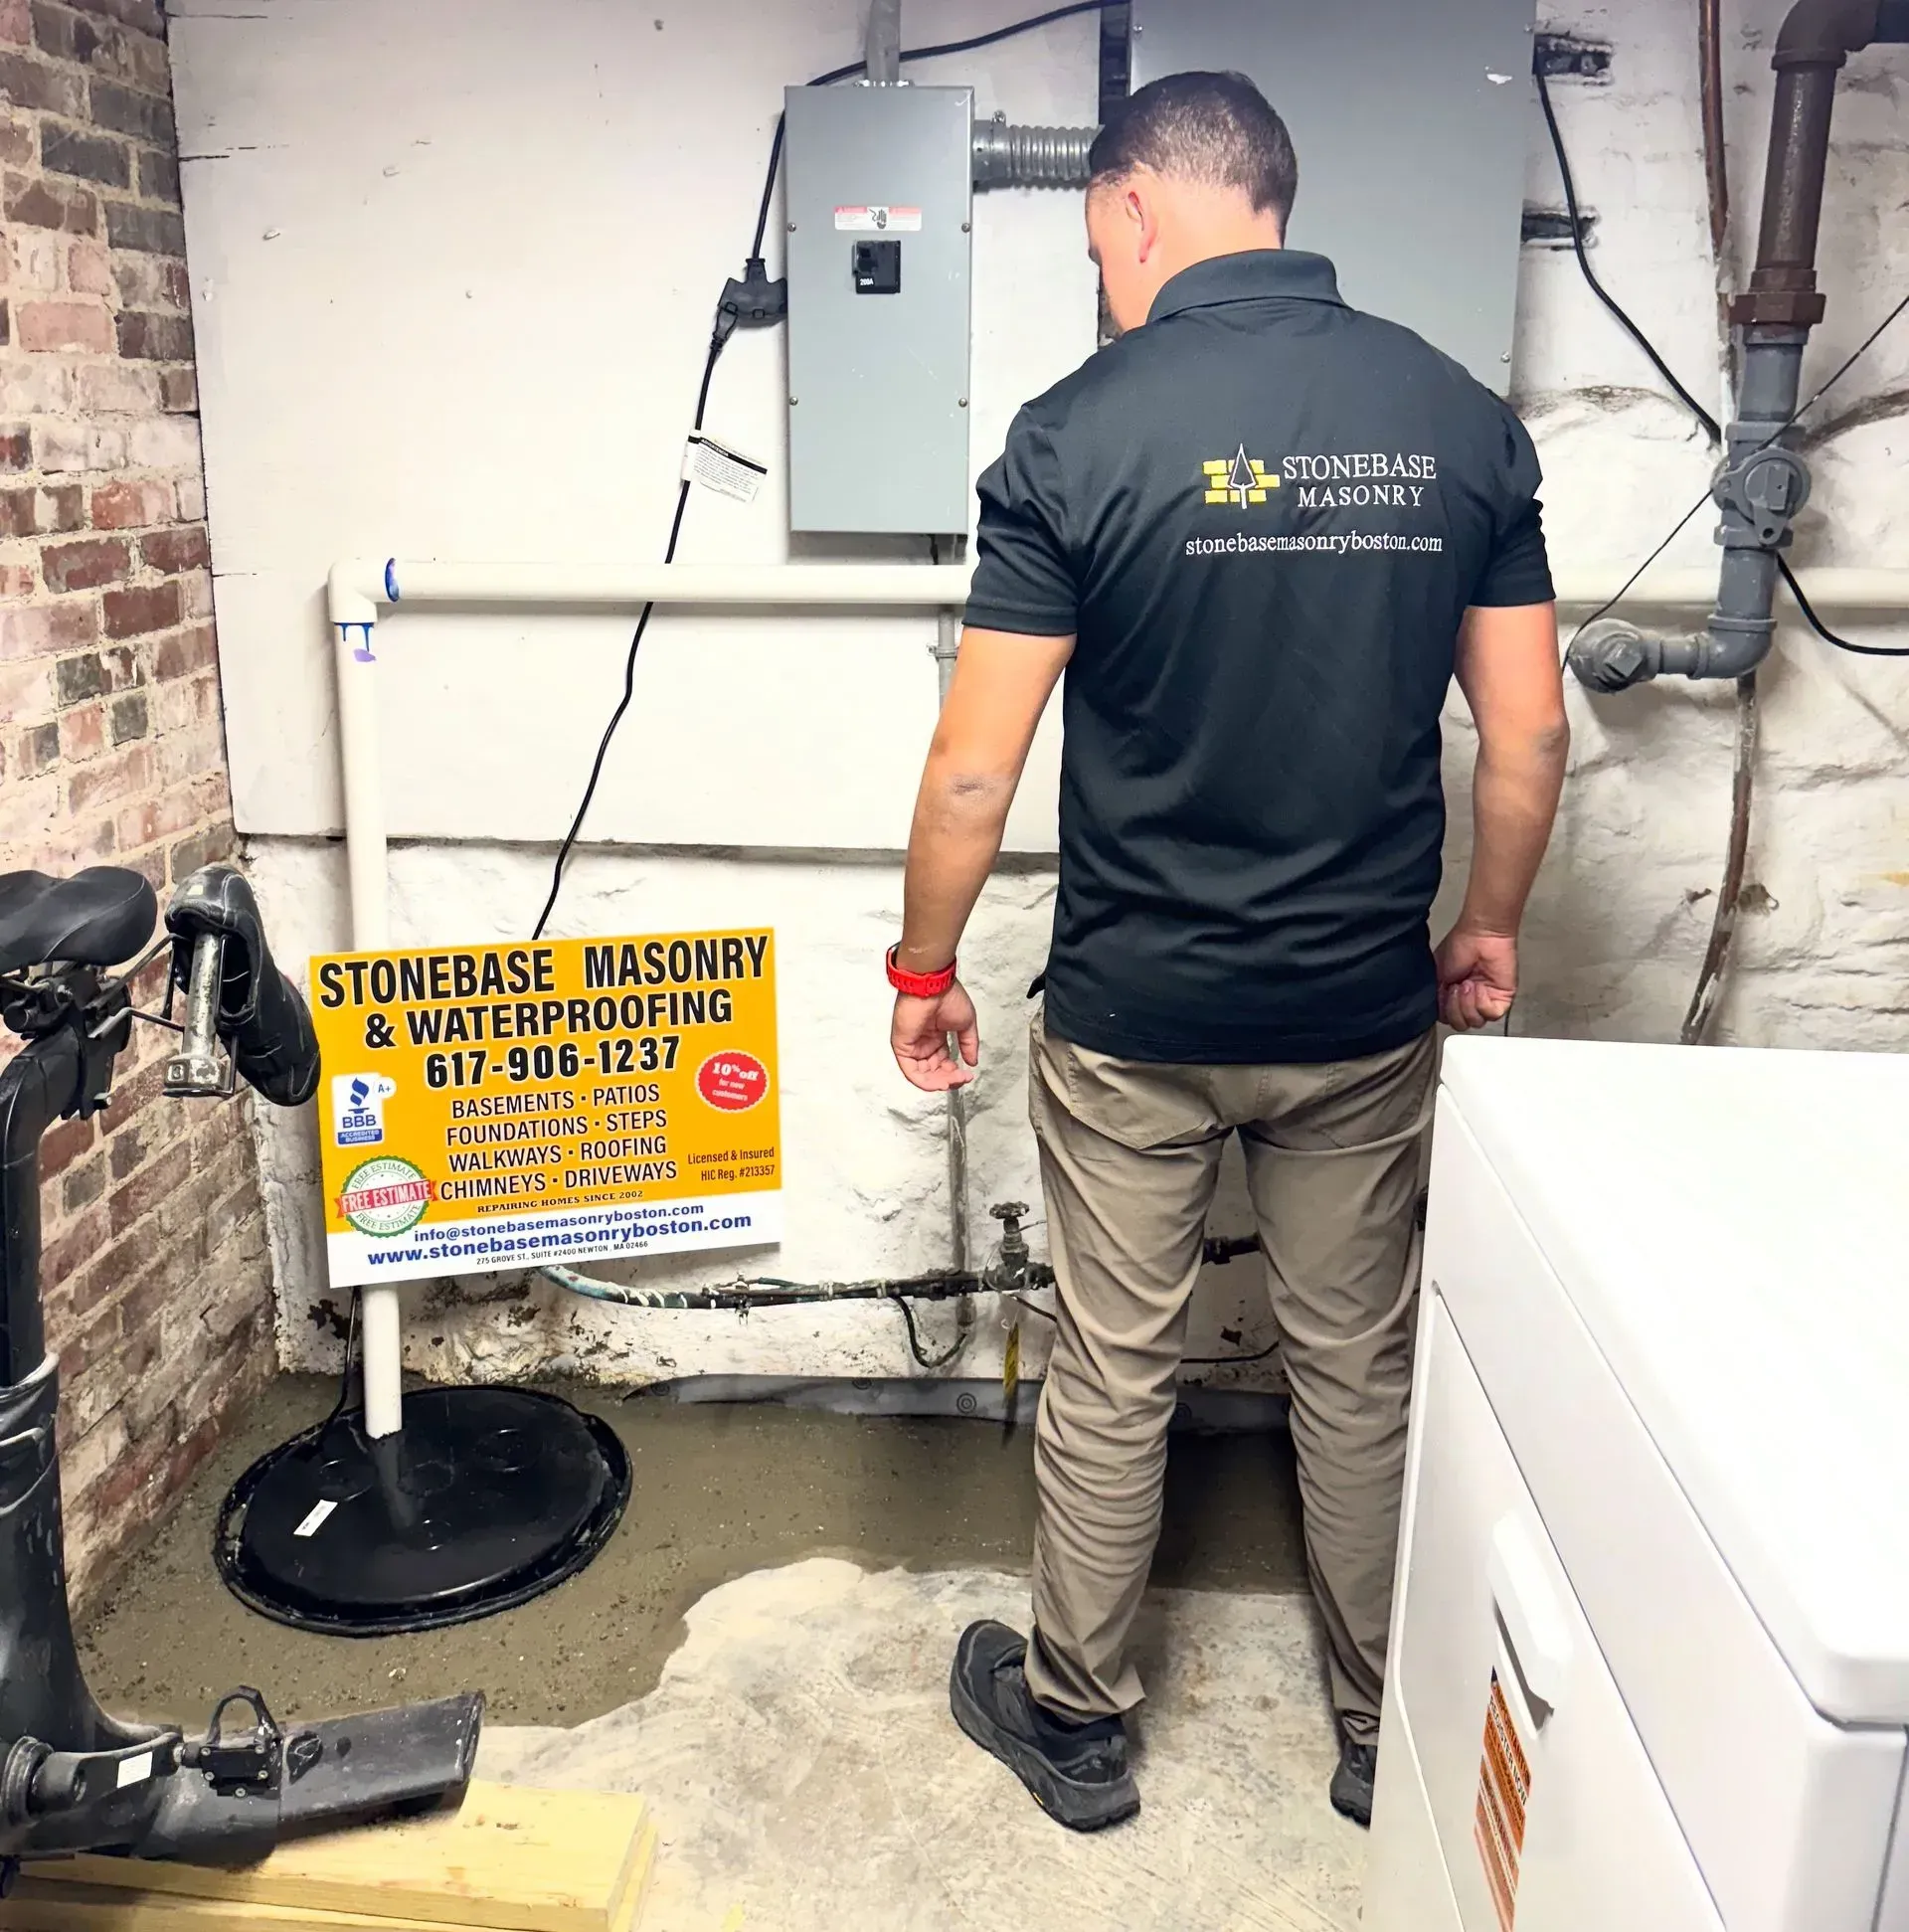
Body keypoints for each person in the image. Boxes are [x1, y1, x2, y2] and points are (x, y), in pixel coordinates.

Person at [886, 70, 1567, 1833]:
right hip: (1357, 1007)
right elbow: (1527, 735)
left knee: (1117, 1363)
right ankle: (1378, 1730)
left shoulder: (1071, 435)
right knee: (1358, 1365)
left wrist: (923, 967)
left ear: (1133, 207)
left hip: (1138, 1010)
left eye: (1097, 244)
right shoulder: (1459, 421)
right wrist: (1486, 926)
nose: (1105, 276)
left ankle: (1078, 1723)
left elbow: (972, 767)